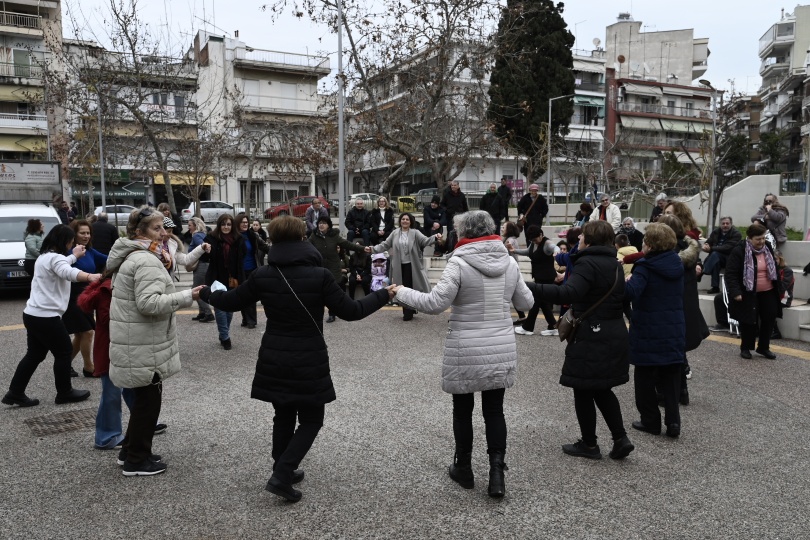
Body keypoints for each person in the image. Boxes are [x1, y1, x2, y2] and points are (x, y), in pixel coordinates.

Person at [201, 216, 394, 502]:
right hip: (308, 355)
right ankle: (282, 473)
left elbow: (232, 301)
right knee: (312, 418)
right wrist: (382, 295)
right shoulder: (320, 276)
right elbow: (351, 310)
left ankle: (283, 466)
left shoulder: (264, 274)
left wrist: (205, 292)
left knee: (284, 412)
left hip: (274, 354)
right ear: (302, 239)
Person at [392, 210, 533, 497]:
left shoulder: (459, 262)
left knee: (463, 410)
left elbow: (434, 303)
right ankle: (496, 472)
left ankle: (464, 468)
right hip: (499, 346)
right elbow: (525, 301)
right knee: (494, 411)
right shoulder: (508, 261)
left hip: (466, 347)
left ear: (464, 233)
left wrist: (401, 291)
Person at [106, 207, 204, 476]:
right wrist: (187, 296)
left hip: (137, 340)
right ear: (139, 232)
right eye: (156, 229)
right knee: (148, 402)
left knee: (143, 400)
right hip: (142, 341)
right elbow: (149, 303)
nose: (164, 234)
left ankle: (131, 450)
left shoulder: (136, 254)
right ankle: (137, 460)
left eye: (164, 228)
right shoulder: (146, 260)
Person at [525, 220, 634, 460]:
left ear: (590, 239)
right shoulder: (615, 265)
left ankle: (589, 443)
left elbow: (568, 293)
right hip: (614, 330)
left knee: (583, 387)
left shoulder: (587, 263)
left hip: (591, 334)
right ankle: (620, 438)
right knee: (603, 387)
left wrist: (531, 287)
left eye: (583, 236)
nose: (580, 240)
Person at [2, 224, 100, 407]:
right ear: (64, 242)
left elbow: (64, 263)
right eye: (71, 242)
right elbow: (66, 271)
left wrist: (74, 255)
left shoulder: (45, 257)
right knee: (63, 353)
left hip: (32, 314)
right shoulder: (56, 259)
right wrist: (90, 277)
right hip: (46, 317)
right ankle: (64, 392)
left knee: (34, 355)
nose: (72, 245)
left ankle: (15, 392)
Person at [624, 223, 685, 439]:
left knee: (644, 378)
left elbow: (631, 292)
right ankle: (673, 422)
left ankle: (650, 421)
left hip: (648, 329)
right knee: (670, 377)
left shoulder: (645, 267)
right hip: (674, 326)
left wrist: (625, 281)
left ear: (649, 245)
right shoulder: (676, 264)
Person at [658, 215, 709, 405]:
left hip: (669, 308)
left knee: (666, 354)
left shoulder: (667, 253)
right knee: (678, 352)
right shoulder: (689, 250)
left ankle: (666, 394)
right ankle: (682, 392)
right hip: (686, 306)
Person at [368, 212, 440, 321]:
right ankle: (408, 310)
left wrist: (435, 237)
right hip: (399, 266)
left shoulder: (415, 233)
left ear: (410, 222)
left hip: (412, 266)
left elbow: (425, 241)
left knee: (411, 288)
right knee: (401, 288)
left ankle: (410, 310)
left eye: (407, 219)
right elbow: (385, 245)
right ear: (400, 221)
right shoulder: (395, 233)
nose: (405, 221)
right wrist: (372, 249)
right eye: (403, 219)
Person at [724, 222, 781, 360]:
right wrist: (736, 292)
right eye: (758, 239)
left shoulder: (767, 247)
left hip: (768, 290)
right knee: (749, 320)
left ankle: (763, 347)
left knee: (769, 318)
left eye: (763, 238)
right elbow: (730, 273)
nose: (761, 242)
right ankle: (746, 347)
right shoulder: (740, 250)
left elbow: (773, 267)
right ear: (749, 238)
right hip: (748, 291)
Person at [63, 219, 107, 378]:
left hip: (86, 296)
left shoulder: (91, 252)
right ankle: (89, 367)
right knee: (87, 332)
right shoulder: (68, 253)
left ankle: (64, 365)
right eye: (82, 232)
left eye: (88, 233)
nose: (86, 236)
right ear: (74, 234)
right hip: (71, 297)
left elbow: (111, 259)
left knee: (81, 334)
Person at [309, 216, 366, 323]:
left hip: (333, 267)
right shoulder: (314, 236)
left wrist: (362, 248)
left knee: (331, 292)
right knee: (318, 292)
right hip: (319, 267)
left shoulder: (334, 236)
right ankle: (317, 314)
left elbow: (348, 244)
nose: (321, 225)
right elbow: (306, 247)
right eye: (320, 223)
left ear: (329, 225)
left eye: (324, 223)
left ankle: (332, 314)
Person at [205, 214, 246, 350]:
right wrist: (206, 249)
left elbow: (241, 259)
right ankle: (225, 336)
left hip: (233, 278)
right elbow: (206, 257)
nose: (226, 227)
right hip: (217, 278)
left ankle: (224, 334)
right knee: (220, 308)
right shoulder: (212, 238)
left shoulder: (239, 239)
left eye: (228, 224)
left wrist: (241, 279)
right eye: (223, 224)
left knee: (230, 308)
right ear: (219, 225)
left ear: (232, 225)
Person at [509, 225, 559, 336]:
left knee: (536, 302)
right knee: (543, 304)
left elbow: (554, 247)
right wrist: (514, 250)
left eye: (535, 239)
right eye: (532, 240)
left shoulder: (547, 244)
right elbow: (528, 252)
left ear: (541, 235)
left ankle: (528, 327)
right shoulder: (534, 243)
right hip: (539, 278)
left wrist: (557, 252)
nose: (534, 242)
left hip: (547, 279)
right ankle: (553, 326)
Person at [235, 213, 270, 329]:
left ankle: (251, 320)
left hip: (252, 269)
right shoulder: (234, 237)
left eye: (246, 222)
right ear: (238, 223)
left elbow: (265, 246)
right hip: (239, 271)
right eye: (242, 222)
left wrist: (278, 251)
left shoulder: (253, 235)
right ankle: (245, 318)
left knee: (250, 295)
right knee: (241, 295)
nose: (245, 224)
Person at [702, 216, 742, 294]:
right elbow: (709, 241)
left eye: (727, 223)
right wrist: (706, 245)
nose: (725, 225)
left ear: (731, 224)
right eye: (723, 223)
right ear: (720, 224)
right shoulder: (716, 232)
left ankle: (703, 271)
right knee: (715, 261)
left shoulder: (736, 234)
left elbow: (728, 248)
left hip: (729, 258)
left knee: (715, 255)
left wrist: (711, 248)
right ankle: (715, 287)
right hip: (717, 257)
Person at [186, 217, 215, 323]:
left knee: (196, 289)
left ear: (195, 225)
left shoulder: (197, 235)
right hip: (204, 265)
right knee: (199, 288)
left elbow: (203, 246)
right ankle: (202, 312)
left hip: (201, 265)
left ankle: (208, 313)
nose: (188, 227)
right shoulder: (202, 234)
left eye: (190, 225)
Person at [502, 221, 525, 324]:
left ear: (509, 229)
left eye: (504, 227)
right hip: (511, 270)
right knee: (512, 294)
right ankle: (522, 316)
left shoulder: (510, 241)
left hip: (509, 270)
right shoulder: (511, 239)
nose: (502, 229)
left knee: (508, 294)